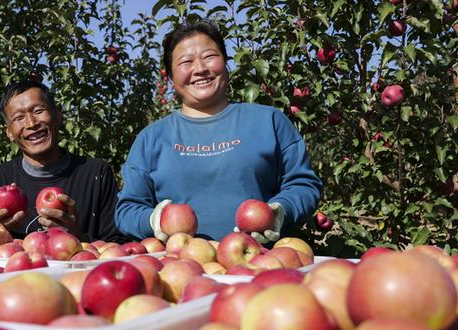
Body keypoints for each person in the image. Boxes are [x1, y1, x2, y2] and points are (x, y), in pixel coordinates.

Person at [115, 20, 322, 243]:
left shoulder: (269, 121)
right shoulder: (151, 138)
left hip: (261, 266)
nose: (200, 68)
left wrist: (282, 210)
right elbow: (127, 210)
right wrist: (154, 220)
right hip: (179, 271)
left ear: (225, 63)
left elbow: (303, 184)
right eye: (186, 61)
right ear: (170, 78)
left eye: (209, 56)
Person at [0, 80, 125, 243]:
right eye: (19, 118)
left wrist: (76, 237)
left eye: (38, 110)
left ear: (58, 115)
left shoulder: (96, 173)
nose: (31, 123)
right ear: (9, 133)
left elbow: (117, 247)